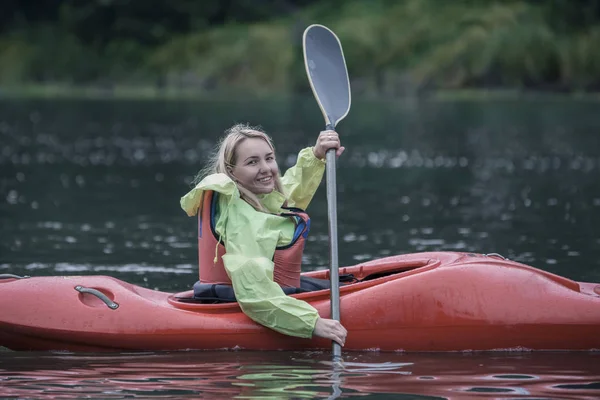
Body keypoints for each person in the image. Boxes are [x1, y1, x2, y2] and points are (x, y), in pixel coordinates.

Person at [180, 123, 347, 346]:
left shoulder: (252, 197)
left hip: (261, 290)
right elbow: (253, 290)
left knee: (345, 285)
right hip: (244, 297)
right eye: (252, 162)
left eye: (269, 158)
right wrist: (312, 323)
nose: (266, 168)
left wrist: (316, 157)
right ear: (231, 172)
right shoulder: (241, 219)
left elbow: (289, 195)